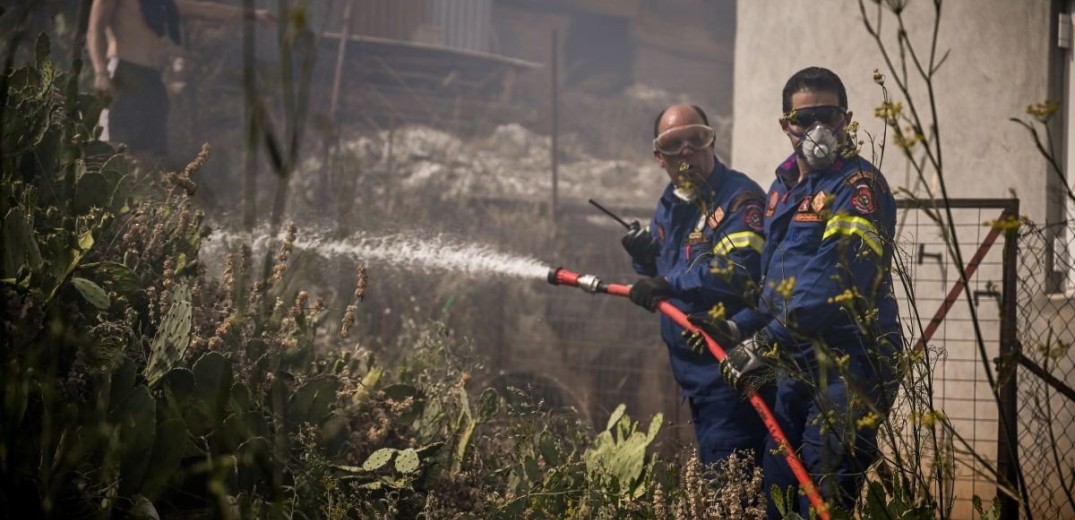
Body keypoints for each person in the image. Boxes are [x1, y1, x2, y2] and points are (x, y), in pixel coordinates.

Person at [691, 67, 903, 517]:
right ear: (785, 124)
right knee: (780, 496)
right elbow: (780, 289)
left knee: (821, 501)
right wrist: (737, 325)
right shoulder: (781, 191)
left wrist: (765, 342)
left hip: (850, 370)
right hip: (796, 366)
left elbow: (838, 283)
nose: (817, 129)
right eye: (804, 119)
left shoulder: (858, 187)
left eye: (828, 115)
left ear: (846, 118)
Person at [623, 104, 769, 467]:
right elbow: (668, 265)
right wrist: (644, 259)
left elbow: (736, 271)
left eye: (696, 138)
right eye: (674, 144)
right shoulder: (671, 203)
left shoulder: (740, 199)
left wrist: (666, 282)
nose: (686, 151)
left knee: (730, 487)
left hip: (730, 373)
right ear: (659, 157)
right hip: (692, 377)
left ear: (712, 141)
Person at [87, 0, 275, 158]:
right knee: (117, 146)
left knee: (148, 153)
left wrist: (253, 14)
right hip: (124, 72)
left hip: (152, 78)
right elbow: (94, 31)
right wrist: (101, 73)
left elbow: (202, 10)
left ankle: (142, 199)